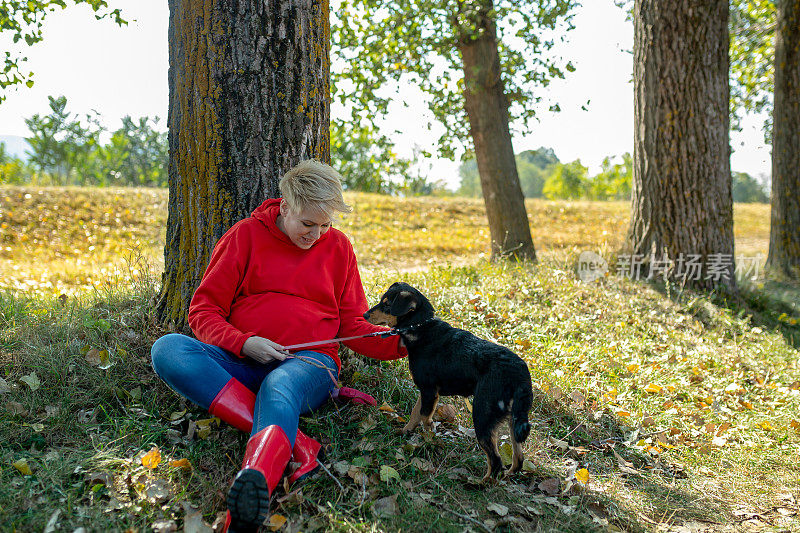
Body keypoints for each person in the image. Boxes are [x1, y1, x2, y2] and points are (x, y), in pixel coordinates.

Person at [150, 160, 406, 532]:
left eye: (325, 225)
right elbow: (204, 310)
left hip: (310, 365)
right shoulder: (244, 236)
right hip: (243, 360)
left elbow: (353, 325)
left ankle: (253, 486)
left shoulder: (339, 249)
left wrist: (404, 343)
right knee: (168, 350)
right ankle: (299, 443)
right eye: (307, 224)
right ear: (284, 206)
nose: (316, 234)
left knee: (280, 386)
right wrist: (245, 342)